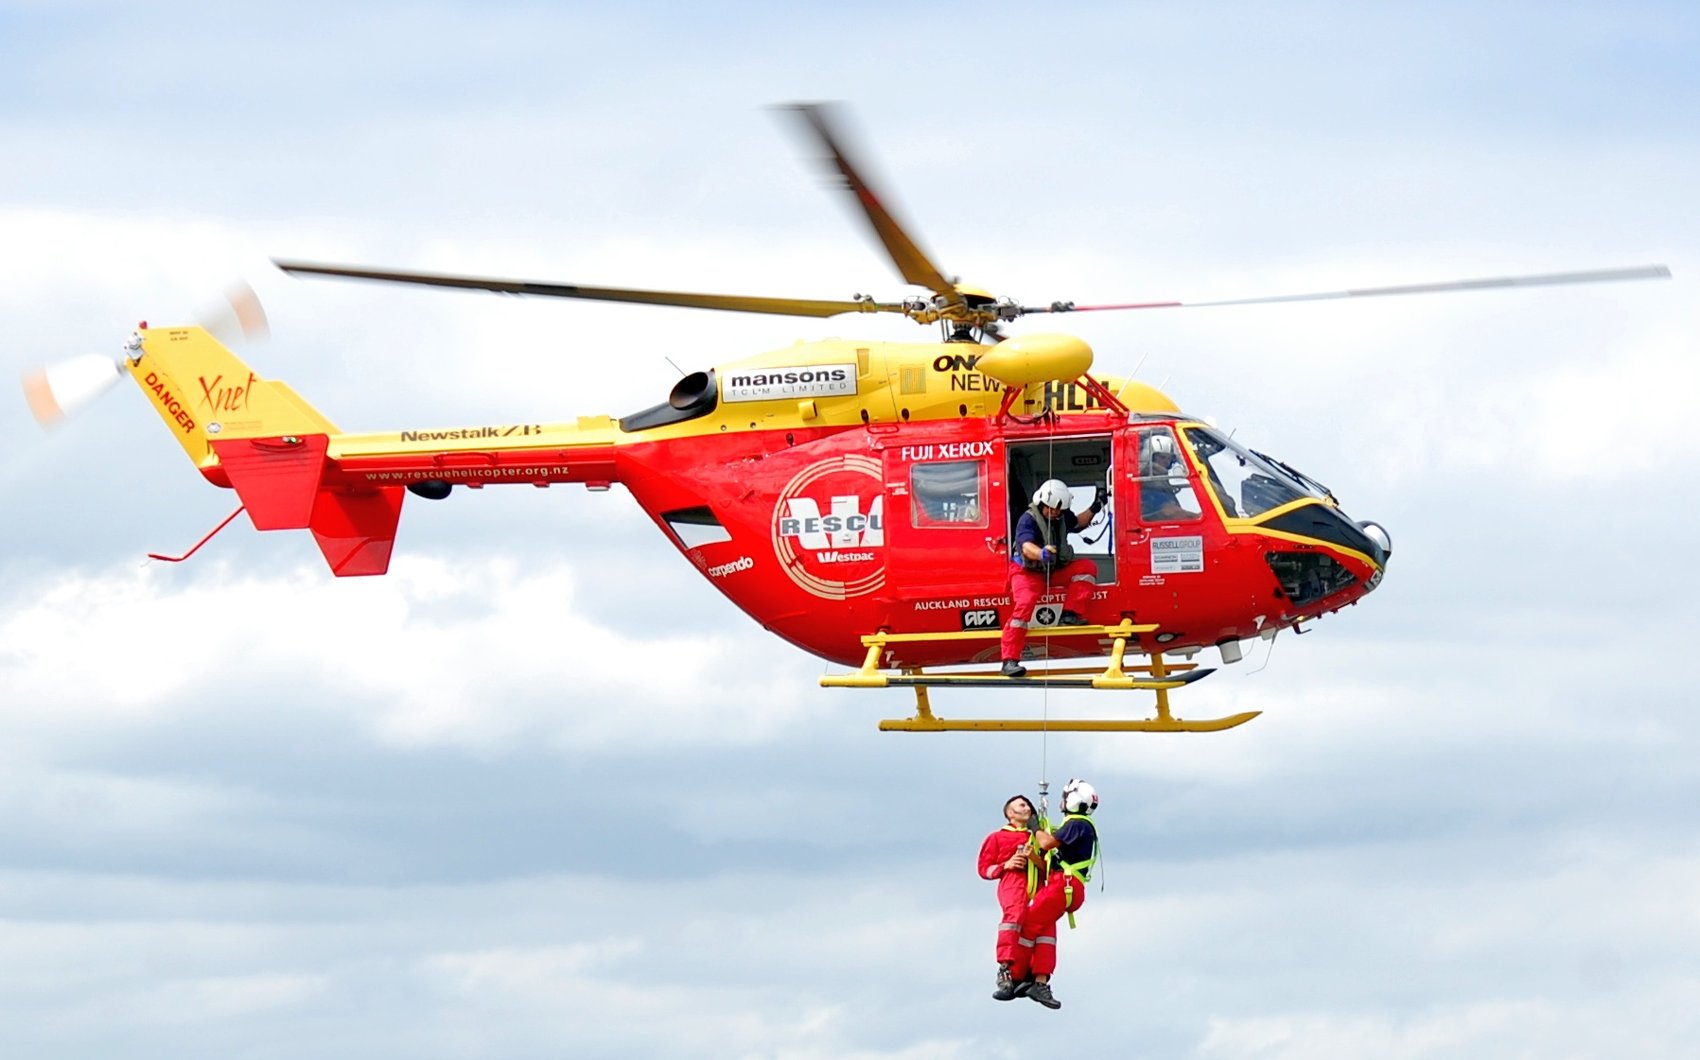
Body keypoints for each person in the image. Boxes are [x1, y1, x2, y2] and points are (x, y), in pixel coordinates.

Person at [1006, 778, 1100, 1009]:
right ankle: (1036, 979)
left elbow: (1047, 843)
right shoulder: (1078, 825)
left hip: (1063, 885)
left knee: (1027, 924)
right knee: (1042, 930)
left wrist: (1035, 827)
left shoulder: (1077, 823)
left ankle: (1021, 978)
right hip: (1067, 886)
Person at [1000, 479, 1105, 678]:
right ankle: (1009, 660)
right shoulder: (1028, 519)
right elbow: (1026, 547)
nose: (1055, 513)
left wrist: (1096, 505)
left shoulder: (1062, 516)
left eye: (1058, 510)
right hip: (1027, 572)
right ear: (1042, 503)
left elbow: (1079, 522)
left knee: (1086, 568)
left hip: (1051, 570)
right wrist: (1041, 554)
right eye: (1052, 509)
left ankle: (1070, 614)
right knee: (1024, 605)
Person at [979, 794, 1040, 1001]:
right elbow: (983, 869)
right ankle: (1005, 968)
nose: (1027, 808)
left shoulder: (1038, 837)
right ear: (1010, 813)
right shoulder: (997, 838)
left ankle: (1025, 974)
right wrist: (1006, 865)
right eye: (1021, 805)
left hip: (1037, 884)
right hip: (1013, 883)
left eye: (1028, 805)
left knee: (1035, 927)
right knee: (1013, 919)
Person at [1139, 433, 1195, 522]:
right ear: (1150, 457)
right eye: (1162, 457)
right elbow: (1169, 511)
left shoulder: (1161, 479)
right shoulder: (1150, 480)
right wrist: (1195, 517)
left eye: (1169, 459)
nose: (1166, 462)